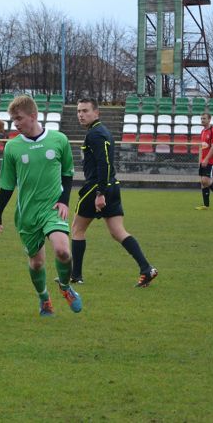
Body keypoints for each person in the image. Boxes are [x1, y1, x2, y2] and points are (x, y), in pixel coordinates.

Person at [0, 95, 82, 317]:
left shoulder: (59, 140)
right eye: (13, 120)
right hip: (27, 214)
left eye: (19, 118)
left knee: (62, 251)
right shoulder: (12, 147)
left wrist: (64, 200)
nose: (16, 124)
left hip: (52, 209)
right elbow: (7, 185)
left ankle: (66, 288)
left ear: (33, 115)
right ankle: (44, 298)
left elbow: (68, 173)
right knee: (37, 263)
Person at [70, 98, 158, 287]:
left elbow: (104, 163)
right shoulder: (102, 132)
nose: (81, 114)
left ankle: (75, 276)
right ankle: (146, 268)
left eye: (85, 111)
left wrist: (100, 192)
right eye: (79, 111)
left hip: (96, 188)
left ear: (96, 113)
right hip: (111, 186)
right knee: (118, 232)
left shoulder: (96, 134)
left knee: (77, 230)